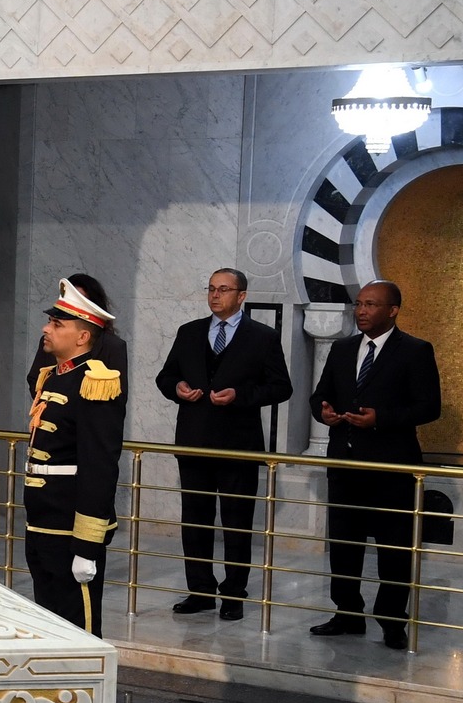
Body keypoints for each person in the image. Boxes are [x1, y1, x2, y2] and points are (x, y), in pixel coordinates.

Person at [308, 280, 442, 651]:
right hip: (345, 466)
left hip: (391, 469)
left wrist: (380, 418)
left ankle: (392, 621)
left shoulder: (415, 350)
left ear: (392, 310)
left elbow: (429, 407)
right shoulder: (342, 348)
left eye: (371, 304)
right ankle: (347, 613)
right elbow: (320, 395)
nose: (362, 311)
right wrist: (324, 412)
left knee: (394, 549)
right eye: (359, 303)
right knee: (344, 545)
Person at [154, 268, 293, 621]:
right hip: (194, 443)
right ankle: (200, 591)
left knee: (236, 523)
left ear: (241, 296)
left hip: (238, 446)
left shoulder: (262, 337)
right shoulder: (189, 332)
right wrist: (177, 388)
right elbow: (166, 376)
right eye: (211, 289)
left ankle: (233, 594)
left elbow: (281, 387)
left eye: (224, 289)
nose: (215, 295)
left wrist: (240, 396)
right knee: (195, 521)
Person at [23, 278, 126, 637]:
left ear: (82, 337)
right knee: (49, 624)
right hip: (42, 522)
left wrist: (86, 544)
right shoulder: (52, 377)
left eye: (56, 324)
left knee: (78, 630)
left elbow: (100, 465)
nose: (46, 329)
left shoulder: (95, 383)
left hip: (70, 527)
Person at [27, 271, 128, 393]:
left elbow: (116, 394)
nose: (46, 329)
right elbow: (35, 379)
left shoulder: (112, 345)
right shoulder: (50, 340)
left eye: (79, 300)